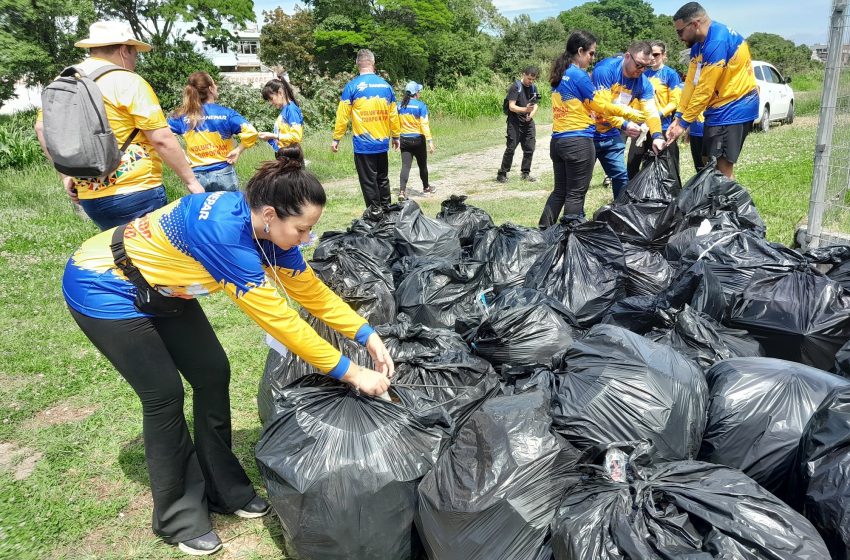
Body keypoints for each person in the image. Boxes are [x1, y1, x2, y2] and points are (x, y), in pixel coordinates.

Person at [62, 146, 395, 556]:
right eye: (303, 229)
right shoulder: (224, 235)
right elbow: (281, 321)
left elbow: (310, 293)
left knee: (212, 373)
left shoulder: (269, 229)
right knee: (163, 395)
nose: (307, 239)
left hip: (165, 289)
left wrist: (367, 335)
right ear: (271, 213)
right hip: (104, 284)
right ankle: (179, 517)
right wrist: (352, 372)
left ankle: (225, 489)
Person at [34, 21, 204, 230]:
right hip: (135, 190)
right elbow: (161, 139)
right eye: (135, 54)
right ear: (125, 50)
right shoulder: (127, 80)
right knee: (150, 256)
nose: (135, 61)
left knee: (119, 253)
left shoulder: (64, 80)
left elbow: (42, 129)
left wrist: (68, 175)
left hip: (89, 194)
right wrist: (191, 181)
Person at [539, 31, 650, 227]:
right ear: (580, 51)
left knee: (560, 191)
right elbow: (601, 105)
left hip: (558, 141)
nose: (592, 58)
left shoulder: (561, 74)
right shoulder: (578, 75)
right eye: (591, 53)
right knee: (575, 193)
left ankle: (542, 230)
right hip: (578, 141)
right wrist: (629, 113)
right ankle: (573, 236)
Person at [665, 2, 759, 179]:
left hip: (734, 108)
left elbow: (704, 89)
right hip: (717, 109)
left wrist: (684, 124)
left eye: (680, 32)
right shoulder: (698, 46)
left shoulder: (717, 41)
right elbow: (691, 84)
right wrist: (678, 117)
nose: (679, 38)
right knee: (708, 162)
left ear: (695, 24)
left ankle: (731, 206)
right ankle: (716, 204)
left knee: (721, 169)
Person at [591, 41, 666, 199]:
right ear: (627, 56)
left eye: (646, 67)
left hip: (611, 132)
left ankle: (620, 212)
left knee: (621, 176)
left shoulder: (643, 82)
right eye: (639, 65)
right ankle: (574, 218)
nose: (641, 70)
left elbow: (651, 111)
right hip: (588, 131)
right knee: (580, 181)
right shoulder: (606, 70)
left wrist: (658, 135)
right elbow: (601, 108)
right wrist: (624, 124)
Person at [168, 72, 259, 192]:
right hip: (223, 172)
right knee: (228, 209)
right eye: (215, 84)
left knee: (203, 210)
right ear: (211, 88)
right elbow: (251, 132)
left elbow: (164, 134)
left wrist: (181, 153)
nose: (217, 87)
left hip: (196, 176)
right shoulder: (226, 113)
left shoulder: (181, 116)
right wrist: (238, 150)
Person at [332, 49, 400, 208]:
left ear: (357, 64)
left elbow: (342, 116)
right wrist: (396, 136)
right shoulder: (386, 86)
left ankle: (375, 215)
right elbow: (394, 115)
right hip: (382, 143)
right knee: (382, 179)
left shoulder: (352, 86)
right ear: (373, 63)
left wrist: (337, 138)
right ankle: (387, 212)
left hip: (364, 146)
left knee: (369, 182)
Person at [626, 40, 683, 179]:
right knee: (633, 163)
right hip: (642, 127)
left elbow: (675, 101)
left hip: (662, 126)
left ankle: (671, 194)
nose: (652, 58)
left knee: (668, 164)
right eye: (651, 54)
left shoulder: (670, 74)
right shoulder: (642, 73)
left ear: (664, 55)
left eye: (656, 54)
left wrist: (658, 114)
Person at [496, 66, 540, 184]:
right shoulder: (516, 87)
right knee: (511, 148)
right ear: (524, 74)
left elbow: (535, 104)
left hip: (528, 121)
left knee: (530, 148)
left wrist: (531, 114)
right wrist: (525, 110)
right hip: (514, 122)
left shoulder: (533, 87)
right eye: (529, 78)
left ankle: (525, 173)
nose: (530, 81)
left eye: (533, 79)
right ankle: (502, 174)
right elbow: (511, 106)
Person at [397, 81, 435, 201]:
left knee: (405, 166)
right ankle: (426, 187)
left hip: (404, 139)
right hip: (418, 139)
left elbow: (394, 123)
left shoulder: (399, 106)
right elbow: (424, 124)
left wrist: (395, 138)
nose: (419, 93)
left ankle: (402, 191)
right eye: (418, 91)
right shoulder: (421, 105)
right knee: (422, 165)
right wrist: (430, 141)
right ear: (415, 93)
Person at [260, 76, 304, 155]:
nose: (270, 103)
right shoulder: (285, 110)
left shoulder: (291, 110)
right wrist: (269, 138)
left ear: (280, 93)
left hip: (290, 158)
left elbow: (296, 136)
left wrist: (273, 135)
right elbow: (281, 140)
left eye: (271, 99)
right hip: (283, 156)